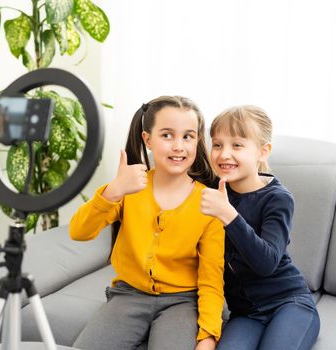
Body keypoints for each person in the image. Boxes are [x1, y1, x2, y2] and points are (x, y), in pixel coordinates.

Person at [69, 96, 225, 350]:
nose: (179, 146)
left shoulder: (209, 203)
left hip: (182, 303)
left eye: (188, 136)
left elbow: (211, 279)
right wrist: (113, 191)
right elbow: (79, 231)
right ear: (147, 139)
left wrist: (208, 336)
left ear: (198, 140)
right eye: (167, 135)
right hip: (128, 295)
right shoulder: (128, 188)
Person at [200, 105, 320, 350]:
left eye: (237, 145)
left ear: (263, 152)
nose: (224, 154)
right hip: (245, 313)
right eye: (217, 144)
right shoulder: (212, 191)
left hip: (289, 303)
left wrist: (229, 216)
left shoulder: (277, 198)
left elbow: (266, 263)